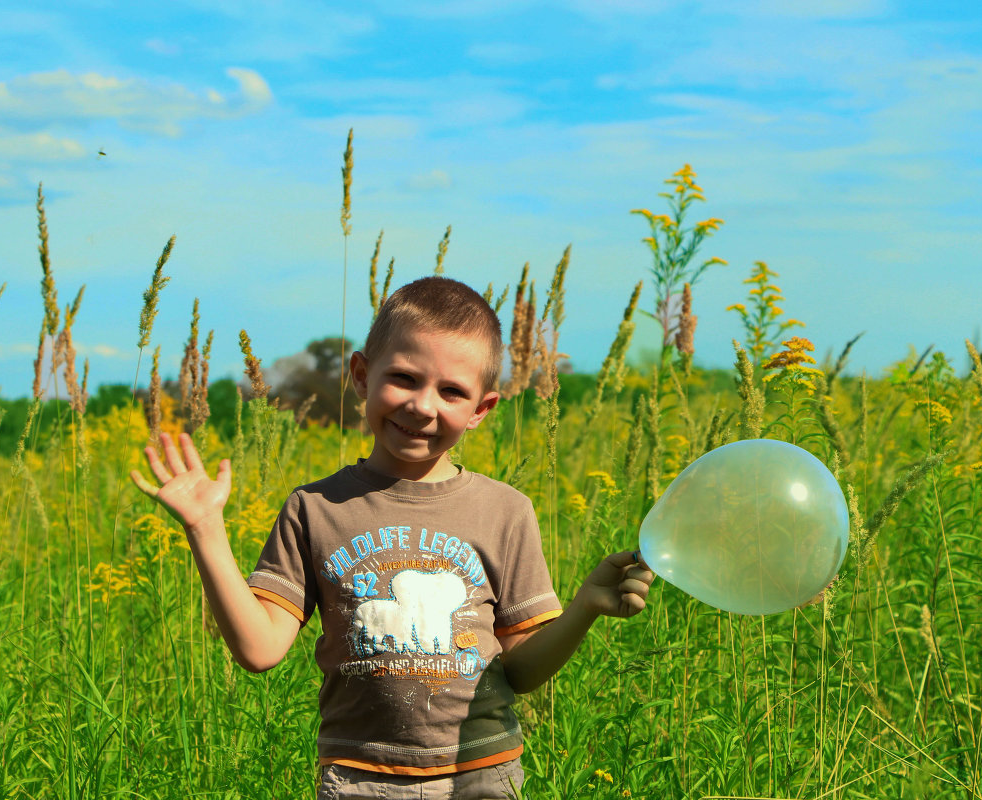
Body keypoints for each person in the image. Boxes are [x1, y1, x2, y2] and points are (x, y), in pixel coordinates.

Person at [131, 276, 655, 799]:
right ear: (361, 375)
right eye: (404, 378)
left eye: (452, 391)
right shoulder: (314, 509)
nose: (423, 406)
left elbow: (519, 668)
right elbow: (259, 648)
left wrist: (585, 605)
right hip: (360, 780)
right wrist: (205, 529)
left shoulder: (505, 511)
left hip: (480, 777)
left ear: (481, 410)